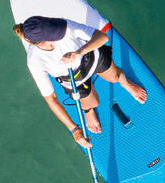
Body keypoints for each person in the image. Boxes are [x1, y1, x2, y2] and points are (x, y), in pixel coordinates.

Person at [13, 14, 147, 149]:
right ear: (40, 43)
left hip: (90, 57)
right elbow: (51, 99)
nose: (57, 30)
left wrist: (79, 52)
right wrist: (75, 130)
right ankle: (88, 110)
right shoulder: (35, 61)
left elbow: (102, 37)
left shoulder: (62, 25)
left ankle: (125, 83)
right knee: (93, 103)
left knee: (115, 77)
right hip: (73, 80)